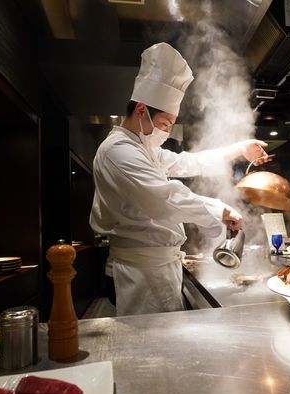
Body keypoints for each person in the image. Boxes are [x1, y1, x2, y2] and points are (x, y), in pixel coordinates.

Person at [90, 42, 273, 316]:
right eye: (164, 123)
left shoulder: (144, 148)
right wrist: (219, 210)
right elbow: (164, 198)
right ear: (141, 110)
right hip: (143, 272)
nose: (166, 131)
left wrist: (238, 149)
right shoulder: (118, 152)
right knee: (149, 344)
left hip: (158, 266)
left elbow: (189, 161)